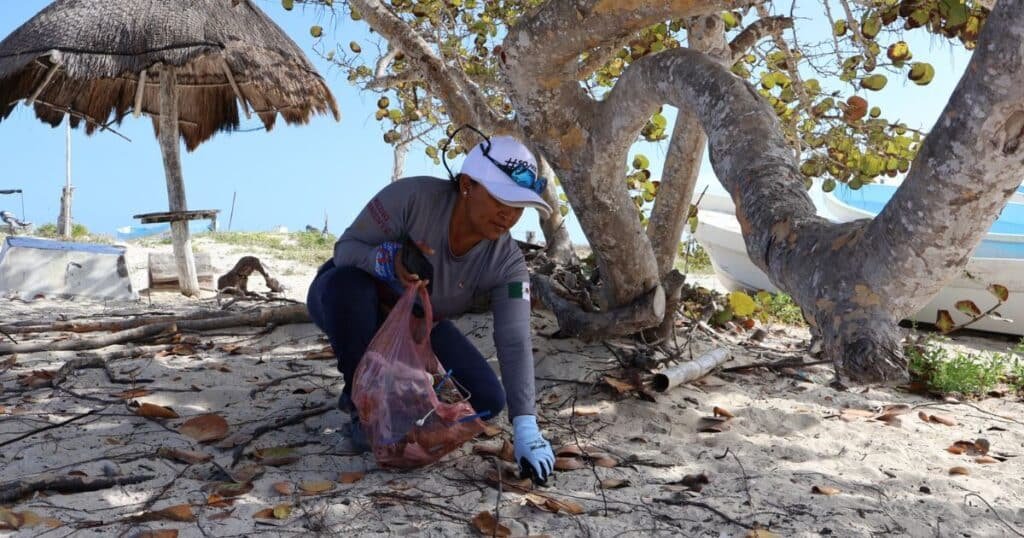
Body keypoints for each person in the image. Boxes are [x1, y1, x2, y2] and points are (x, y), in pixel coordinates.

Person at [306, 127, 556, 484]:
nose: (509, 216)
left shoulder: (508, 264)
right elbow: (345, 251)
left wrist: (526, 426)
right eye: (502, 200)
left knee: (487, 399)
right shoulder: (413, 197)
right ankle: (364, 407)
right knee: (347, 287)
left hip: (420, 323)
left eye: (519, 207)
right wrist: (387, 261)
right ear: (468, 185)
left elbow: (514, 340)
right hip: (347, 301)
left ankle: (406, 400)